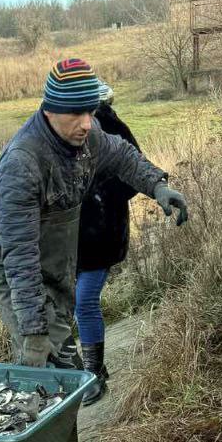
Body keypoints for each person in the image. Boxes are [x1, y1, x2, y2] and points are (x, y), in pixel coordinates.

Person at [0, 59, 188, 442]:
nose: (86, 123)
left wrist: (159, 186)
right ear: (50, 109)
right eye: (76, 113)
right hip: (14, 260)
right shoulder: (22, 162)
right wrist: (33, 328)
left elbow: (123, 155)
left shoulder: (88, 136)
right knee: (52, 363)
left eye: (90, 112)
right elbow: (19, 257)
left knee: (55, 368)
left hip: (53, 250)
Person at [75, 81, 141, 406]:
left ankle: (94, 373)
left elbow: (133, 176)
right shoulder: (61, 133)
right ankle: (71, 374)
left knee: (84, 300)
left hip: (102, 234)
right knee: (68, 303)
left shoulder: (114, 129)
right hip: (68, 238)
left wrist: (99, 194)